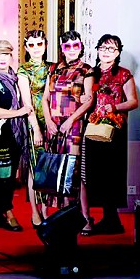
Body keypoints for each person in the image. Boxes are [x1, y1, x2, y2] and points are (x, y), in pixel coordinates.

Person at [82, 34, 138, 235]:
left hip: (115, 131)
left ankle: (112, 219)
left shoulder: (124, 74)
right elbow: (86, 98)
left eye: (112, 49)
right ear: (97, 50)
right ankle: (105, 219)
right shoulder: (90, 73)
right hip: (93, 128)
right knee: (95, 173)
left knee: (112, 174)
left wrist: (114, 107)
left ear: (118, 52)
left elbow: (133, 101)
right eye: (103, 48)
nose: (106, 52)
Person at [41, 30, 93, 218]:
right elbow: (45, 98)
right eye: (67, 46)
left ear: (81, 47)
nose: (72, 49)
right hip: (53, 126)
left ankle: (79, 217)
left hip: (74, 127)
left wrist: (71, 120)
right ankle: (50, 217)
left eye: (75, 45)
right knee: (52, 169)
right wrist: (48, 121)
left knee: (73, 170)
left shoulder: (87, 70)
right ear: (62, 49)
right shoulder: (53, 69)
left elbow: (89, 100)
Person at [0, 40, 33, 232]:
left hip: (15, 133)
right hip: (0, 134)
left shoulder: (15, 78)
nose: (2, 58)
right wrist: (19, 112)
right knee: (2, 177)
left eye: (5, 54)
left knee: (9, 175)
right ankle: (8, 212)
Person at [17, 30, 52, 227]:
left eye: (39, 44)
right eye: (31, 45)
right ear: (26, 47)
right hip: (33, 123)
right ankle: (34, 212)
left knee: (48, 167)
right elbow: (27, 103)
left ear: (45, 45)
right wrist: (36, 129)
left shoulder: (52, 68)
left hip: (52, 123)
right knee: (35, 167)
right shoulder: (24, 70)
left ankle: (46, 209)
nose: (36, 48)